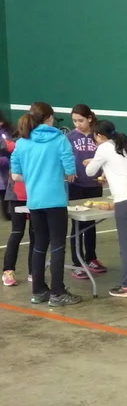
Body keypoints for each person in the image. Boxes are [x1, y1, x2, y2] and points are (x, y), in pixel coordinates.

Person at [10, 102, 82, 307]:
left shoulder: (22, 142)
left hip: (35, 201)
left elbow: (15, 174)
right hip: (55, 200)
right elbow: (70, 169)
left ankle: (39, 290)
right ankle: (58, 292)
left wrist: (34, 176)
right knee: (58, 246)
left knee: (39, 245)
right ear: (49, 118)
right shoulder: (59, 139)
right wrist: (64, 174)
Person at [84, 120, 127, 297]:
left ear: (99, 135)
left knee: (126, 244)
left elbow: (90, 172)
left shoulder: (103, 148)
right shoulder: (125, 145)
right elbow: (120, 167)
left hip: (125, 200)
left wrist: (92, 162)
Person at [67, 104, 107, 279]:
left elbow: (106, 157)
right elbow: (65, 157)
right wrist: (67, 170)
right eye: (74, 121)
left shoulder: (98, 136)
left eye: (81, 120)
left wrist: (105, 174)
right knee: (76, 224)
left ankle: (91, 258)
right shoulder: (69, 138)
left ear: (89, 119)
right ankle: (77, 262)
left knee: (91, 223)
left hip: (94, 184)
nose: (77, 124)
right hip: (76, 185)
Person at [2, 122, 34, 287]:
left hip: (35, 195)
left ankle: (34, 270)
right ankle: (8, 270)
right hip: (16, 195)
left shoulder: (37, 146)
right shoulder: (13, 145)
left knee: (36, 234)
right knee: (17, 232)